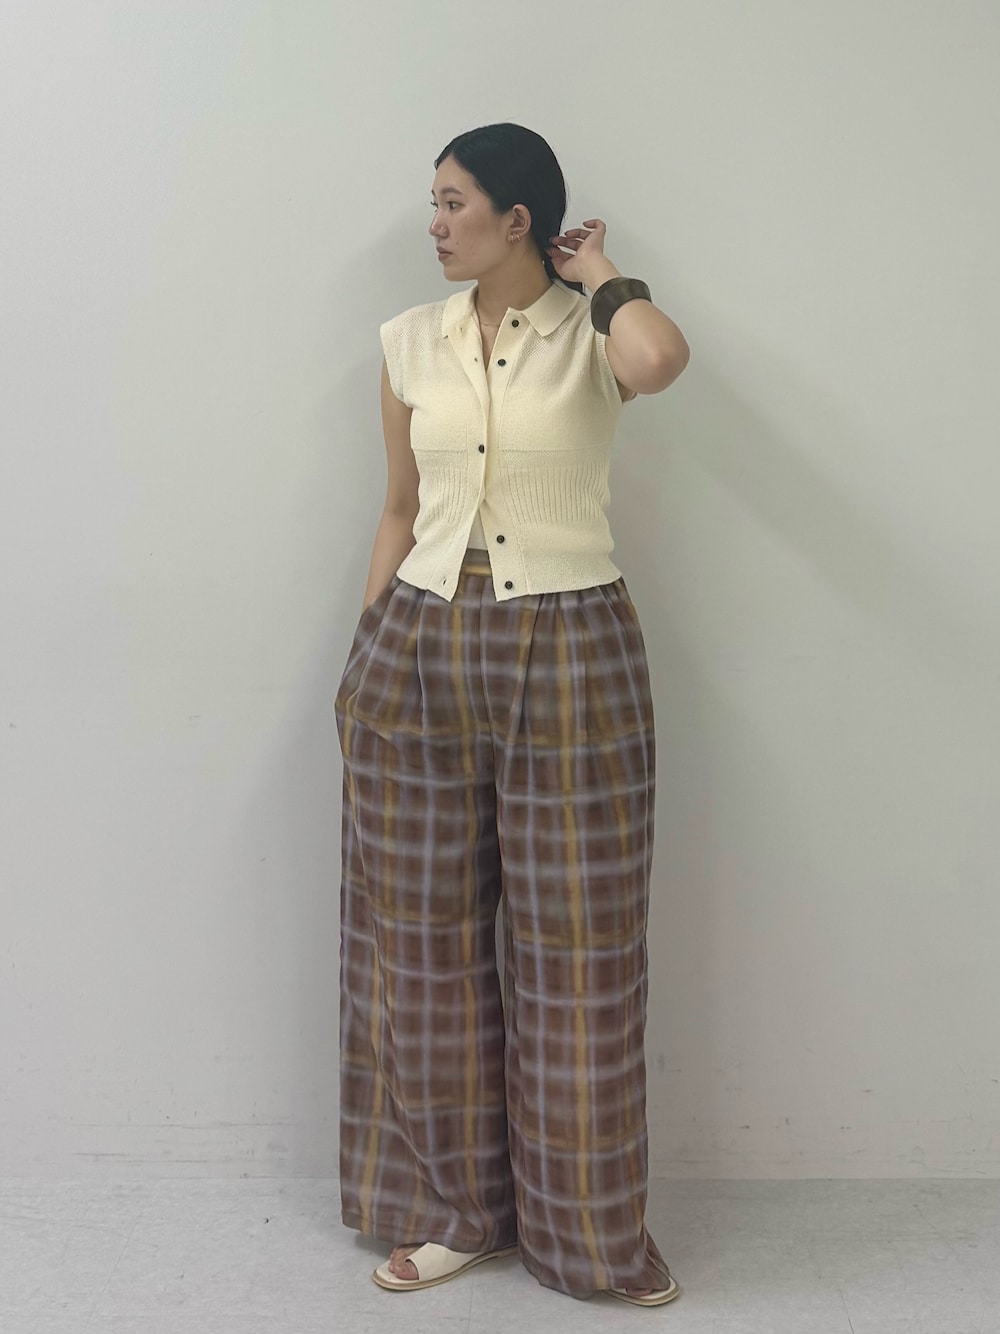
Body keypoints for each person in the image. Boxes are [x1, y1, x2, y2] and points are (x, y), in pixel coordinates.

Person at [334, 123, 690, 1308]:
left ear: (518, 219)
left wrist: (603, 274)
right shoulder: (406, 341)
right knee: (420, 947)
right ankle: (455, 1213)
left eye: (453, 202)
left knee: (581, 954)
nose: (434, 224)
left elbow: (661, 360)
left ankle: (588, 1234)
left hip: (573, 647)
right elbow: (397, 507)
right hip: (417, 642)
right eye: (433, 202)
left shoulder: (597, 336)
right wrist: (364, 657)